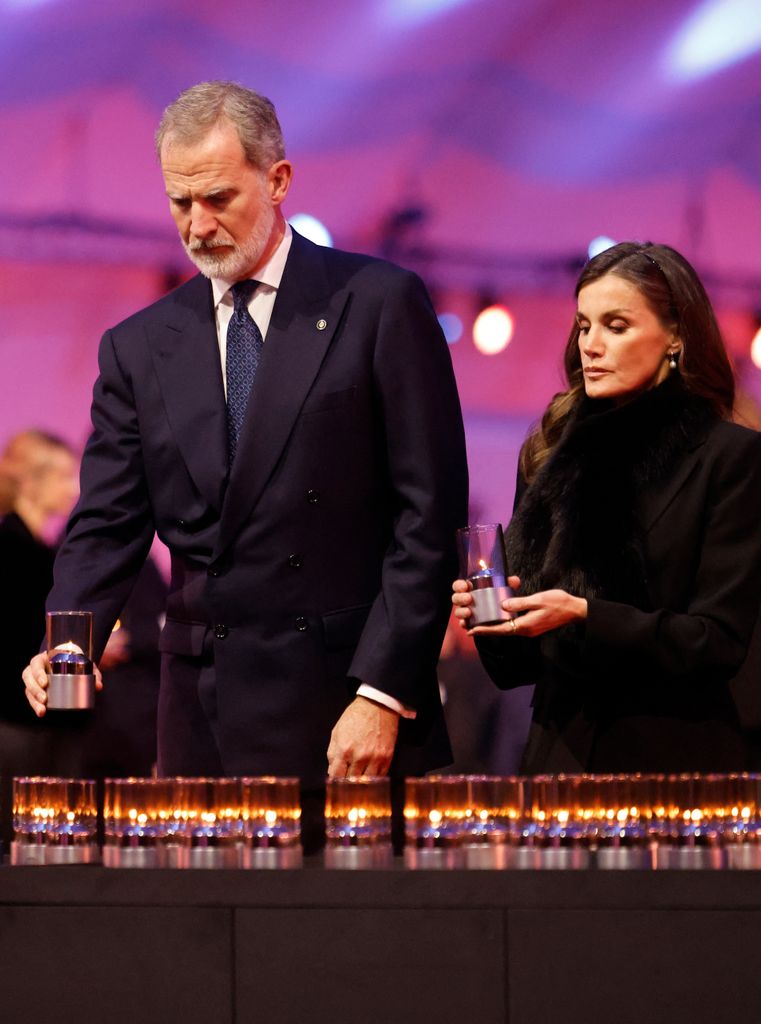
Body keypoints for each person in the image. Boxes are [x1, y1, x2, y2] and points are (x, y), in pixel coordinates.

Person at [22, 82, 468, 833]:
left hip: (346, 710)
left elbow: (428, 517)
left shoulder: (378, 303)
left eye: (219, 198)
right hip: (202, 716)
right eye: (179, 203)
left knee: (363, 948)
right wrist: (67, 645)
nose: (197, 226)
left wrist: (384, 693)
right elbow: (104, 527)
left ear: (279, 180)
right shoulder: (138, 348)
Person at [452, 242, 761, 773]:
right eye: (584, 326)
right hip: (558, 761)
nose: (591, 345)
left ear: (676, 337)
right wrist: (493, 618)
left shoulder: (729, 457)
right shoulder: (550, 451)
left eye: (616, 327)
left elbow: (718, 642)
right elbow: (516, 670)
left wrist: (586, 615)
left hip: (674, 766)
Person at [0, 430, 82, 844]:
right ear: (31, 482)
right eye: (64, 477)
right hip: (14, 721)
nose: (74, 489)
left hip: (37, 717)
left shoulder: (44, 550)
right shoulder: (10, 549)